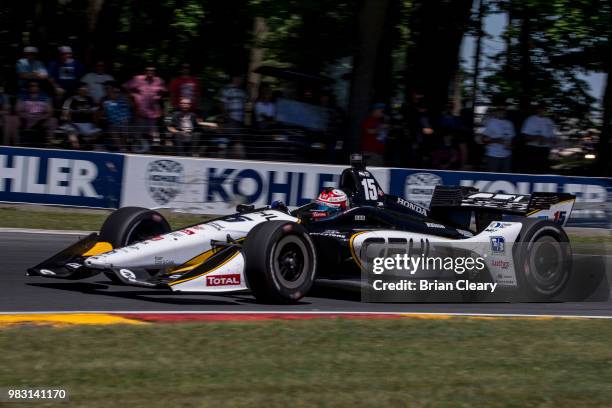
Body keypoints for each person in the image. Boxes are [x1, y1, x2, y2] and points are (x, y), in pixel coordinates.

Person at [123, 66, 167, 152]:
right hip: (139, 112)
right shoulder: (137, 79)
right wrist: (132, 97)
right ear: (145, 71)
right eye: (148, 70)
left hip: (152, 113)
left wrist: (159, 97)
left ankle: (148, 152)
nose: (150, 71)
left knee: (151, 134)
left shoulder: (159, 80)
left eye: (152, 70)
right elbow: (125, 86)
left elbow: (165, 92)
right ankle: (135, 151)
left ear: (155, 72)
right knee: (137, 133)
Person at [16, 82, 57, 147]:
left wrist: (39, 118)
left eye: (35, 86)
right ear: (28, 88)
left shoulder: (45, 97)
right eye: (31, 86)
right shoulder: (23, 96)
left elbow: (50, 112)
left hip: (41, 119)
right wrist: (27, 117)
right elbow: (18, 110)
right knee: (12, 120)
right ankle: (16, 145)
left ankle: (49, 145)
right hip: (25, 118)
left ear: (39, 87)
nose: (33, 87)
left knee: (53, 120)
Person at [61, 82, 101, 149]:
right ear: (78, 90)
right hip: (74, 124)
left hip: (88, 124)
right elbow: (65, 114)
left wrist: (95, 124)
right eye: (83, 87)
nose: (85, 89)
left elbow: (95, 113)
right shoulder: (70, 100)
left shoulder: (90, 99)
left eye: (86, 87)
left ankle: (87, 146)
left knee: (98, 133)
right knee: (71, 132)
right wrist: (72, 124)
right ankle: (77, 149)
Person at [521, 102, 556, 173]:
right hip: (532, 149)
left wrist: (547, 140)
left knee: (543, 171)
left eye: (546, 109)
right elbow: (524, 137)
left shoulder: (550, 121)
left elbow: (553, 138)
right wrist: (537, 137)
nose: (545, 111)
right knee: (531, 171)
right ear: (538, 109)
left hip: (545, 150)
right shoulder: (530, 120)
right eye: (543, 109)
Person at [482, 104, 515, 173]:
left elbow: (512, 139)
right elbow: (483, 139)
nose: (502, 112)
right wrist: (497, 140)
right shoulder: (490, 122)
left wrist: (511, 146)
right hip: (493, 155)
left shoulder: (509, 123)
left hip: (507, 156)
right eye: (500, 110)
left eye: (504, 110)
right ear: (496, 112)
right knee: (492, 178)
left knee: (506, 178)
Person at [100, 81, 132, 151]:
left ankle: (123, 148)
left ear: (114, 89)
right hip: (113, 123)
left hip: (124, 121)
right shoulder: (105, 100)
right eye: (105, 89)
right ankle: (121, 149)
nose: (107, 90)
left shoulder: (123, 97)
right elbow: (103, 113)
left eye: (108, 88)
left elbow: (131, 105)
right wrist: (103, 112)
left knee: (124, 127)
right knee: (112, 129)